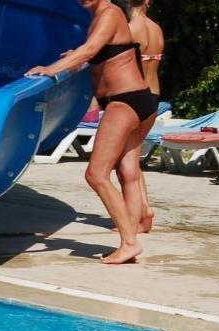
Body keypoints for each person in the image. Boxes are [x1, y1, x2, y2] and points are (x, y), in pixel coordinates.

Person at [26, 0, 157, 264]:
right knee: (128, 173)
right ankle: (132, 233)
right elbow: (101, 53)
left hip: (124, 100)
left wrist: (50, 70)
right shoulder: (99, 16)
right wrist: (76, 56)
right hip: (137, 98)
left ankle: (130, 243)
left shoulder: (110, 13)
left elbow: (91, 50)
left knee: (96, 174)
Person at [126, 0, 164, 232]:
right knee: (133, 155)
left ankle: (134, 218)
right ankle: (144, 211)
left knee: (126, 161)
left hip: (135, 95)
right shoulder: (156, 29)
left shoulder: (132, 28)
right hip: (154, 94)